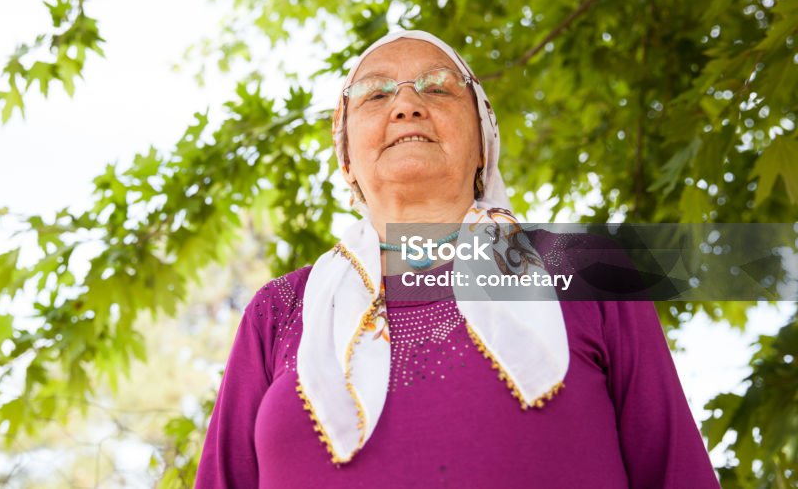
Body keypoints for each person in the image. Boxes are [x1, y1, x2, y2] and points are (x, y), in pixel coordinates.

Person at [195, 30, 720, 488]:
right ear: (347, 158)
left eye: (438, 88)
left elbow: (677, 472)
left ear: (482, 141)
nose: (406, 106)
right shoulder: (279, 311)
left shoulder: (586, 266)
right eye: (375, 94)